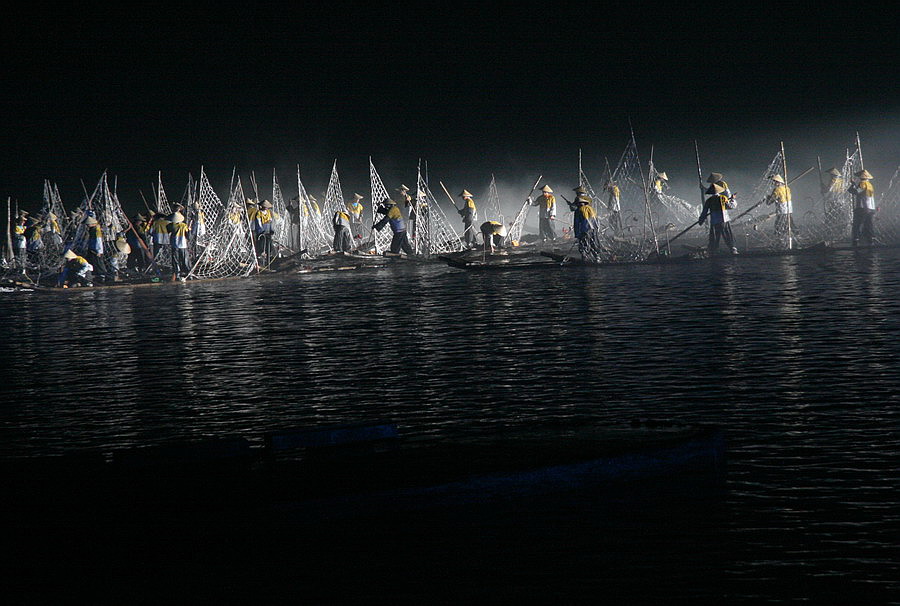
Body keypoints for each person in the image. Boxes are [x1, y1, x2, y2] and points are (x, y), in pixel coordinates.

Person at [698, 183, 738, 255]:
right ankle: (733, 249)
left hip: (714, 222)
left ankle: (713, 251)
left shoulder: (709, 201)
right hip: (724, 220)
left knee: (715, 237)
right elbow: (731, 206)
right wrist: (732, 199)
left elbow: (704, 212)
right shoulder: (723, 198)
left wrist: (701, 220)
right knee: (728, 235)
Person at [765, 174, 795, 249]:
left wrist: (768, 198)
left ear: (778, 182)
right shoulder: (787, 188)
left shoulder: (777, 190)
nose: (773, 183)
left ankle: (781, 243)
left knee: (778, 228)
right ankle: (794, 240)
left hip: (782, 211)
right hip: (789, 211)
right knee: (791, 226)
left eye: (774, 182)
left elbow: (769, 202)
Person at [571, 189, 601, 261]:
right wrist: (597, 229)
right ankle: (597, 257)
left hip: (584, 231)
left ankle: (584, 258)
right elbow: (597, 221)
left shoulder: (578, 211)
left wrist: (577, 234)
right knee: (594, 243)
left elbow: (577, 223)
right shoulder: (591, 209)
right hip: (594, 230)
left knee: (583, 245)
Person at [848, 169, 876, 246]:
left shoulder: (862, 183)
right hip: (871, 208)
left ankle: (855, 240)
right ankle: (871, 240)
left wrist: (853, 184)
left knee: (857, 224)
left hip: (862, 207)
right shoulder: (870, 184)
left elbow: (856, 192)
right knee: (868, 224)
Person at [83, 215, 110, 281]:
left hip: (96, 250)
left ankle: (102, 275)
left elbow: (98, 241)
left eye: (88, 224)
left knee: (98, 263)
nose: (87, 226)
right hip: (92, 249)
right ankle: (95, 275)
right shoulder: (92, 230)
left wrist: (99, 251)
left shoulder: (96, 231)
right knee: (92, 262)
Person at [168, 211, 191, 280]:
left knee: (175, 260)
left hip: (174, 244)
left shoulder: (170, 225)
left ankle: (176, 273)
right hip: (182, 244)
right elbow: (188, 237)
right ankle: (187, 273)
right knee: (184, 259)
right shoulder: (184, 226)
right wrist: (189, 230)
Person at [822, 167, 845, 236]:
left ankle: (829, 230)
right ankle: (840, 230)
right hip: (841, 200)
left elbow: (828, 190)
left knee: (831, 215)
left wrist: (823, 188)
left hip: (834, 200)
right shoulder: (842, 181)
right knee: (839, 215)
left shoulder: (833, 180)